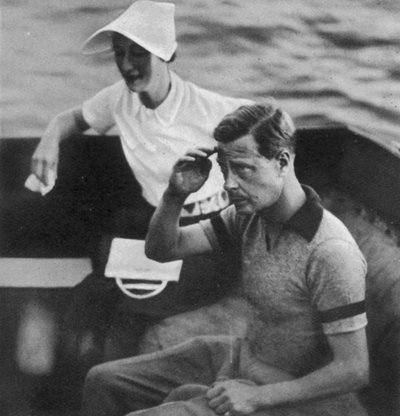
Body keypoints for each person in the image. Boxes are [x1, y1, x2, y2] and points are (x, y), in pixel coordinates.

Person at [81, 101, 370, 416]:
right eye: (224, 169)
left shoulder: (330, 251)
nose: (229, 184)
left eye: (243, 169)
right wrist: (174, 196)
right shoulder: (248, 217)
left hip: (296, 398)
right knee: (104, 380)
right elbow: (162, 250)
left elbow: (354, 370)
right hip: (244, 359)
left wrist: (259, 398)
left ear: (282, 162)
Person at [30, 0, 252, 361]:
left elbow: (271, 125)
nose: (127, 65)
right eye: (119, 53)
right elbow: (73, 118)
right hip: (158, 227)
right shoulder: (119, 100)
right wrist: (50, 138)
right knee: (85, 302)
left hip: (208, 237)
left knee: (126, 315)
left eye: (139, 53)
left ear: (167, 54)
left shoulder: (211, 109)